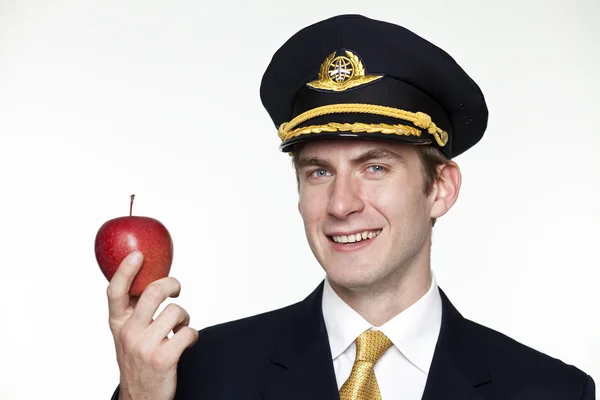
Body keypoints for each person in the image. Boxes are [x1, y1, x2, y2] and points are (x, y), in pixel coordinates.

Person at [106, 14, 596, 400]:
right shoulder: (196, 375)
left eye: (375, 167)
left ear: (441, 188)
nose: (340, 204)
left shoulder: (550, 391)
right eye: (319, 171)